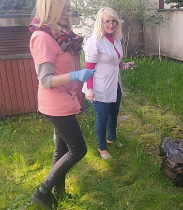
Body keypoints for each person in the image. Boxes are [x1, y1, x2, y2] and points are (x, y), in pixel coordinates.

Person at [29, 0, 95, 209]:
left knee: (61, 150)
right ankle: (42, 191)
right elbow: (46, 80)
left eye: (69, 9)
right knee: (78, 149)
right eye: (64, 10)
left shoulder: (62, 36)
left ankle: (59, 193)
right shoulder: (42, 37)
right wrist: (75, 75)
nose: (69, 13)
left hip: (66, 100)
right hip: (56, 104)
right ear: (52, 10)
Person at [82, 7, 135, 159]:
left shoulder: (116, 38)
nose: (111, 25)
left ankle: (111, 139)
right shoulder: (94, 42)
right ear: (100, 23)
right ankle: (102, 148)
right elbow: (89, 69)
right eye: (107, 22)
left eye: (114, 22)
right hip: (99, 86)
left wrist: (122, 65)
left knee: (114, 113)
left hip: (114, 83)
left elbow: (112, 61)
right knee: (102, 117)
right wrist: (90, 89)